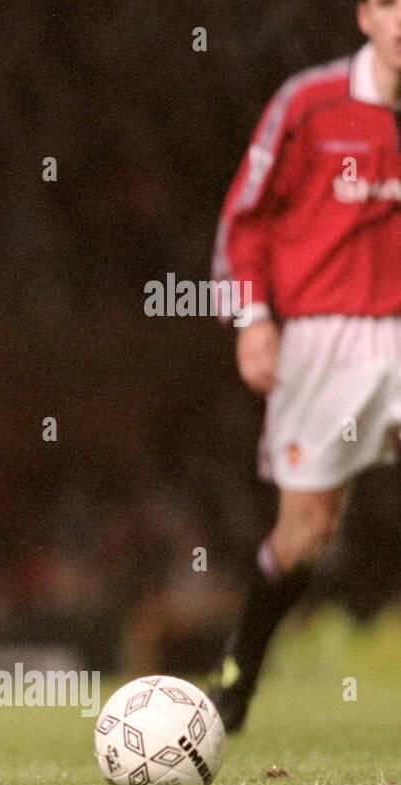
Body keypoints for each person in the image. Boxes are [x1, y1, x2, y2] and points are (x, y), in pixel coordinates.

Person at [208, 0, 401, 732]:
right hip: (326, 340)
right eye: (389, 2)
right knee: (306, 535)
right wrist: (253, 317)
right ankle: (238, 672)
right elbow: (244, 216)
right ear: (365, 16)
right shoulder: (310, 104)